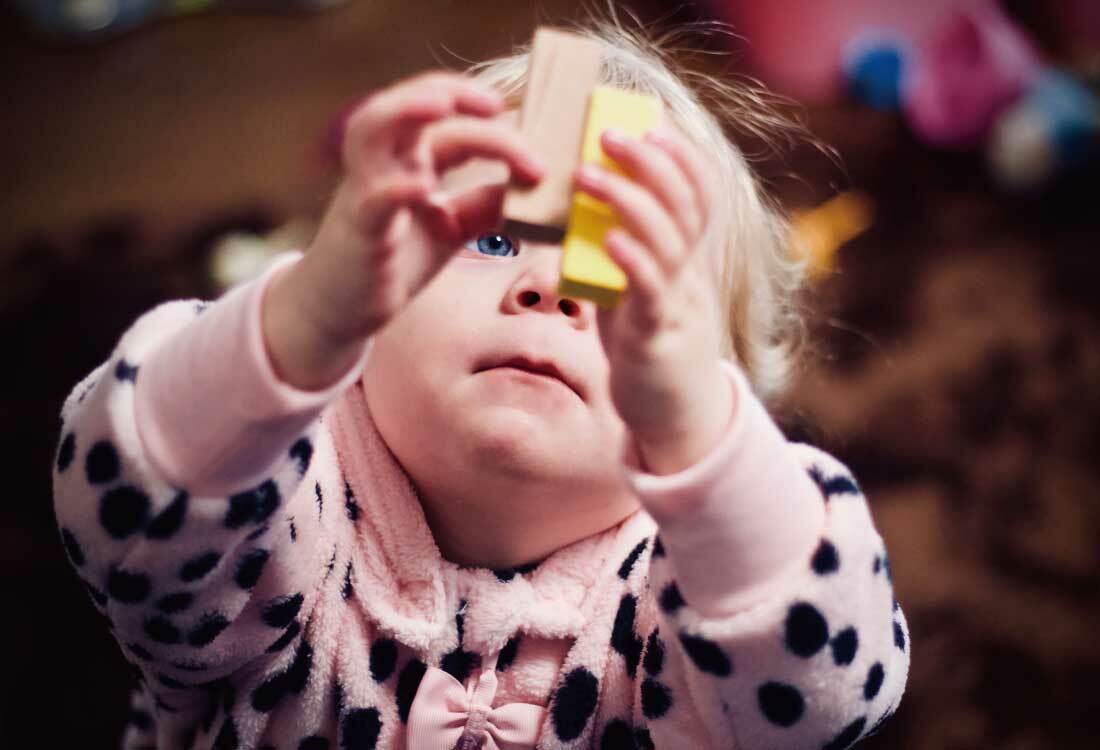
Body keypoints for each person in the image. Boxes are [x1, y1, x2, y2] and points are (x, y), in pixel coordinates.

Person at [52, 18, 909, 750]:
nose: (550, 289)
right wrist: (304, 320)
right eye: (493, 240)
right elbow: (128, 506)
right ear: (369, 307)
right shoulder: (284, 501)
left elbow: (822, 704)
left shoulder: (687, 601)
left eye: (622, 279)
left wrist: (703, 444)